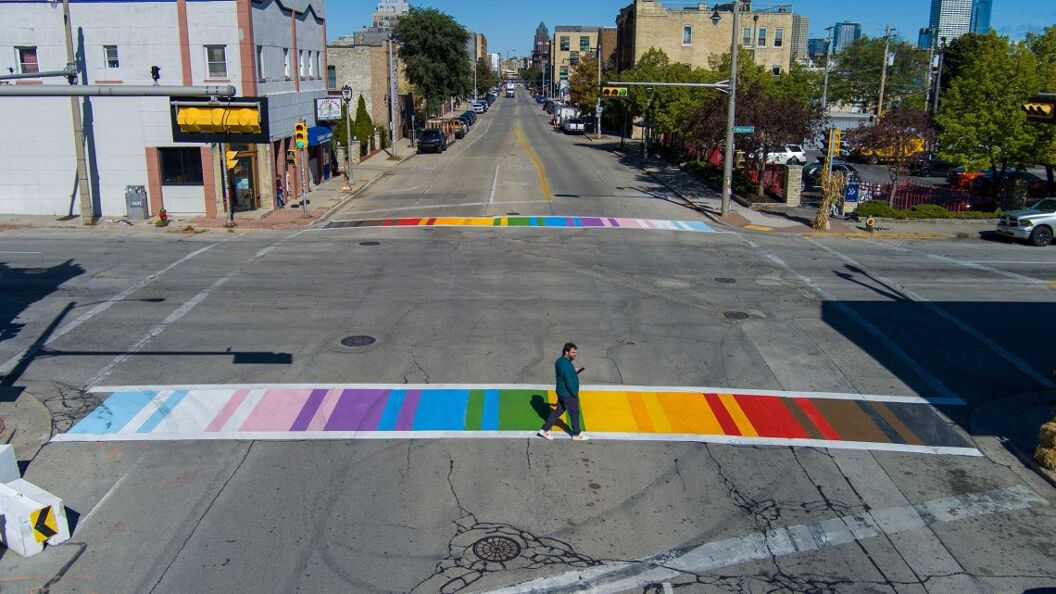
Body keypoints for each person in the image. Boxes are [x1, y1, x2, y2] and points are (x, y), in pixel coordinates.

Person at [539, 343, 588, 441]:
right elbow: (569, 381)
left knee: (558, 411)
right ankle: (577, 434)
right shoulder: (566, 365)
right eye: (573, 352)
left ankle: (544, 430)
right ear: (566, 352)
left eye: (575, 352)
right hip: (568, 394)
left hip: (561, 391)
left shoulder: (560, 361)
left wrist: (573, 371)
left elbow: (563, 374)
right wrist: (575, 394)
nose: (574, 354)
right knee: (574, 413)